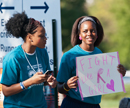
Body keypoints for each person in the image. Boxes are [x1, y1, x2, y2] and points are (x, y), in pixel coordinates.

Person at [57, 16, 126, 108]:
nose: (89, 33)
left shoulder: (99, 53)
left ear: (97, 34)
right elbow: (59, 87)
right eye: (85, 31)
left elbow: (103, 79)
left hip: (94, 105)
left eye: (93, 30)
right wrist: (67, 85)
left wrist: (119, 73)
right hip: (73, 104)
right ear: (79, 35)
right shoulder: (69, 56)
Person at [1, 12, 57, 108]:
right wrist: (30, 82)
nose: (45, 39)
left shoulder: (42, 52)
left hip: (40, 105)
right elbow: (6, 91)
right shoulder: (13, 58)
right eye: (41, 36)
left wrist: (49, 81)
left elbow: (44, 80)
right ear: (30, 37)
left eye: (45, 35)